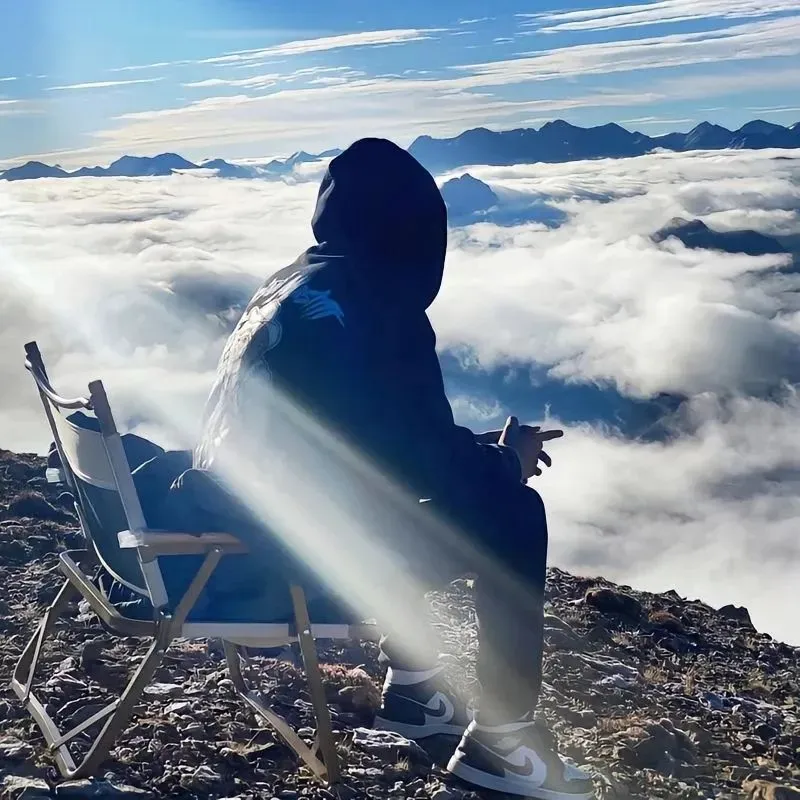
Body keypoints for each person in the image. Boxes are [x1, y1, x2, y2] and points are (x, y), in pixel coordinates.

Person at [196, 138, 594, 800]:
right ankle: (503, 746)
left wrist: (481, 450)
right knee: (514, 514)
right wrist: (506, 463)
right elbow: (424, 469)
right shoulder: (378, 303)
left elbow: (379, 442)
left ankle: (415, 692)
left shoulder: (291, 283)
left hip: (235, 535)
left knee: (400, 500)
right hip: (291, 566)